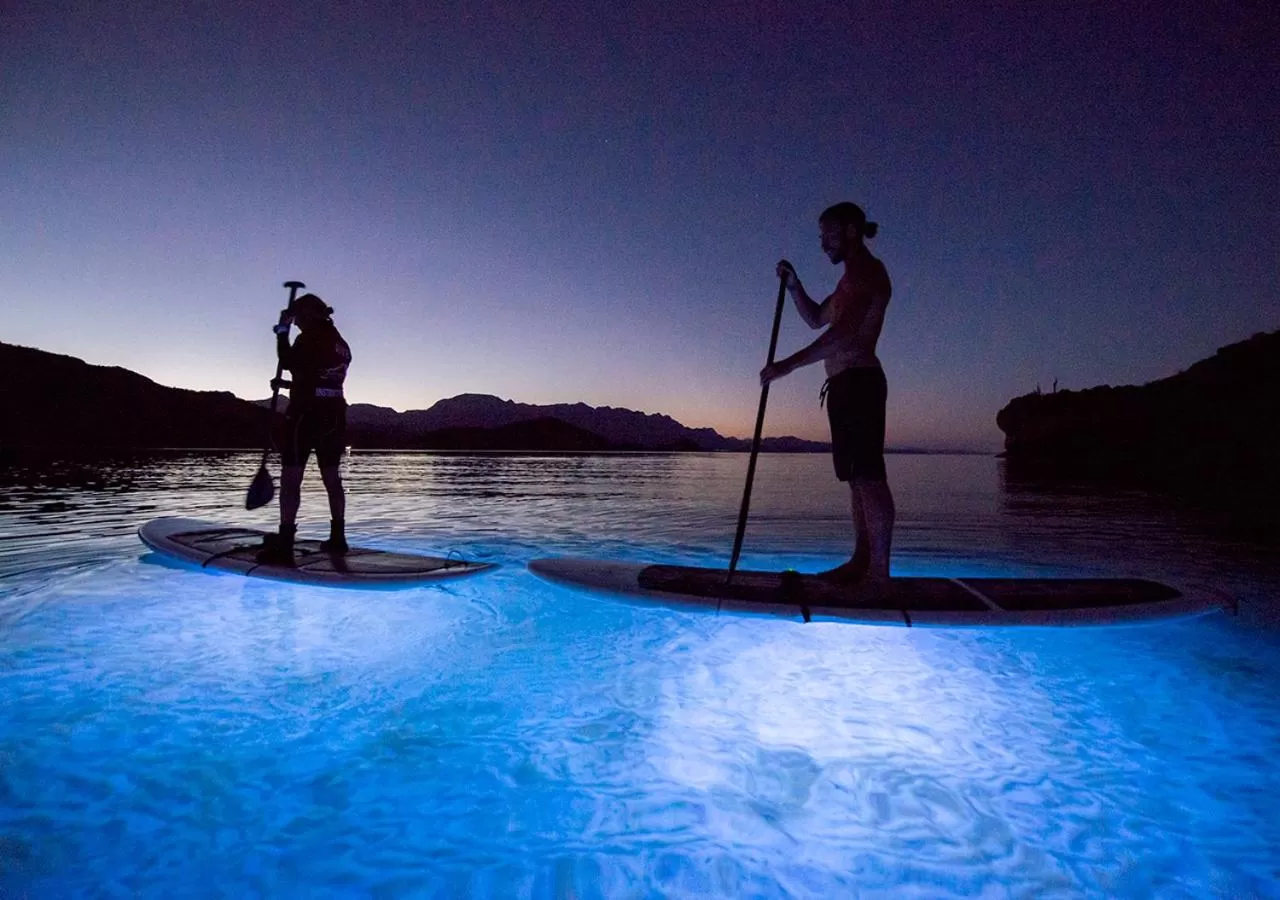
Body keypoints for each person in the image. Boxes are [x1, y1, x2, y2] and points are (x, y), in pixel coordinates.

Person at [760, 202, 895, 592]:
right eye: (821, 236)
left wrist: (787, 365)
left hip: (860, 383)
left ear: (851, 230)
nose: (823, 244)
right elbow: (817, 318)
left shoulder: (868, 274)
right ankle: (861, 562)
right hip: (842, 386)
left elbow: (845, 333)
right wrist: (794, 284)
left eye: (829, 234)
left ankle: (879, 576)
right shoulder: (846, 282)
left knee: (869, 476)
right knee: (856, 479)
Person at [258, 293, 353, 563]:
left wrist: (281, 329)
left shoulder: (309, 336)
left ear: (309, 314)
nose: (296, 322)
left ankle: (285, 544)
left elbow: (288, 360)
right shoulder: (340, 343)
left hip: (306, 417)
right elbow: (320, 378)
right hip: (334, 416)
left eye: (298, 317)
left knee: (291, 478)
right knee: (332, 478)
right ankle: (338, 538)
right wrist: (288, 387)